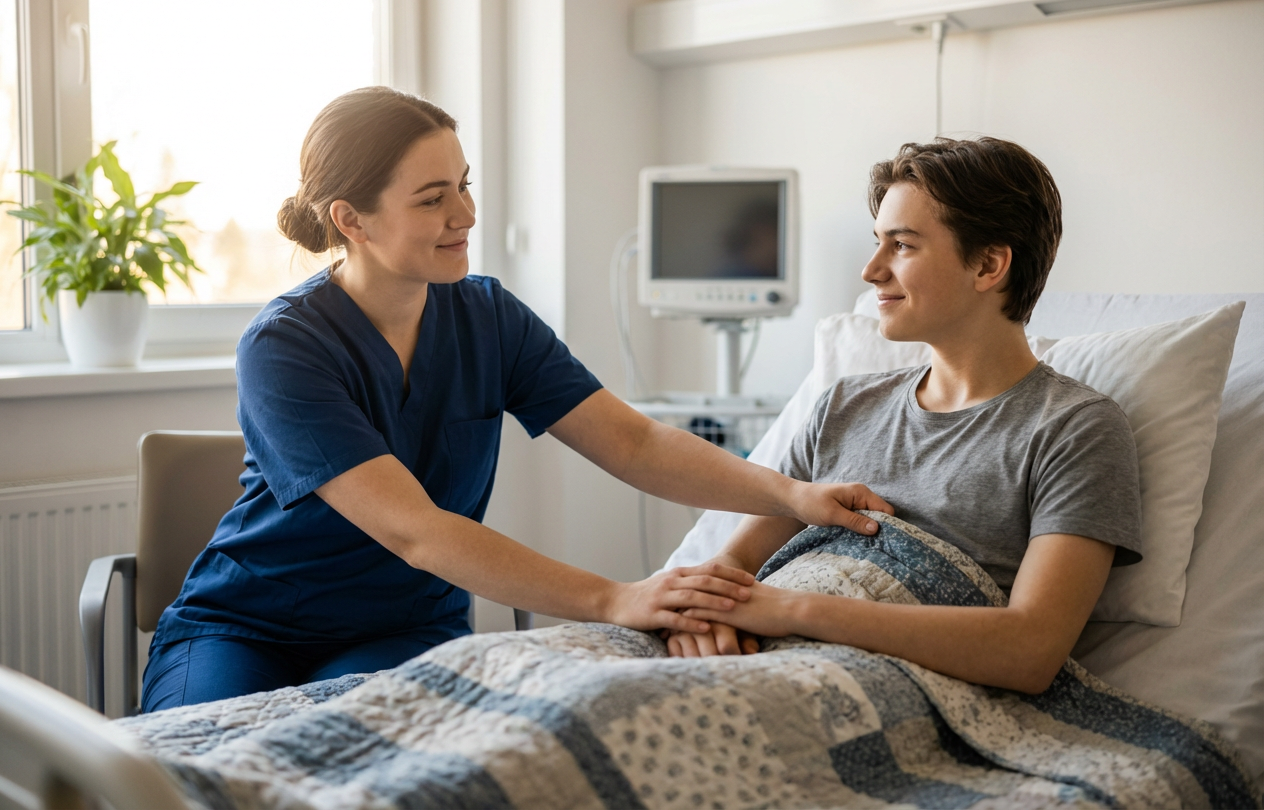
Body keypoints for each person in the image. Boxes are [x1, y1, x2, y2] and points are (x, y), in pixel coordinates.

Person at [140, 87, 890, 712]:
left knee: (373, 774)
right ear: (351, 220)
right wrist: (614, 598)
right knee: (197, 766)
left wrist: (794, 495)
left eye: (464, 185)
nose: (465, 216)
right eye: (433, 199)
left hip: (403, 626)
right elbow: (418, 533)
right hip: (246, 625)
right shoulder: (285, 346)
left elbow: (631, 442)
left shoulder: (487, 317)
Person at [667, 137, 1143, 696]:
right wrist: (701, 620)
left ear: (989, 265)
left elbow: (1030, 649)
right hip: (747, 659)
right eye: (877, 243)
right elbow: (734, 572)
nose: (871, 271)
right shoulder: (843, 407)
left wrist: (792, 610)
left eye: (903, 246)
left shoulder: (1074, 429)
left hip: (872, 690)